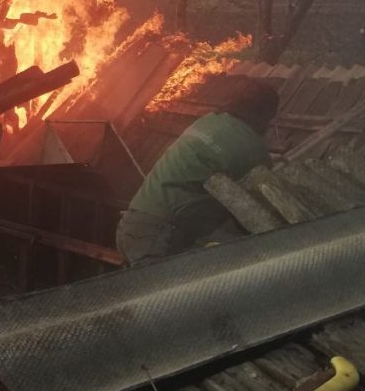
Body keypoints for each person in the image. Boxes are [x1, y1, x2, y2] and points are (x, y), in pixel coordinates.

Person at [116, 80, 279, 265]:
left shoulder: (208, 121)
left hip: (131, 226)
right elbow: (258, 211)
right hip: (159, 237)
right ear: (267, 117)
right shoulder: (253, 150)